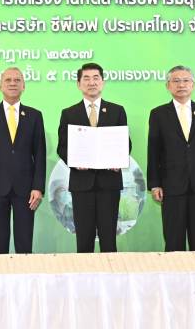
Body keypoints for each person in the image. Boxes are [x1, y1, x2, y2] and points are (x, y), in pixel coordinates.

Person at [57, 62, 131, 253]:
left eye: (96, 78)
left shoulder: (117, 111)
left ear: (103, 82)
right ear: (78, 84)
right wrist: (75, 162)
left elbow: (126, 144)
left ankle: (110, 271)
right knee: (84, 239)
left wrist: (118, 160)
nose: (92, 83)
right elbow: (62, 147)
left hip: (109, 183)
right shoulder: (69, 113)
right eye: (86, 79)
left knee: (109, 239)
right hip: (82, 184)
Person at [147, 65, 195, 251]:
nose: (181, 85)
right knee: (173, 241)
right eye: (176, 81)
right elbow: (153, 151)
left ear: (193, 85)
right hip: (171, 185)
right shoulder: (158, 114)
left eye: (186, 80)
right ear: (168, 86)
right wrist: (155, 184)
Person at [0, 67, 46, 254]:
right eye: (8, 80)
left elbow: (40, 154)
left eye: (17, 80)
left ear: (24, 86)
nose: (12, 83)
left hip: (27, 190)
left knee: (25, 245)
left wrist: (38, 187)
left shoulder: (35, 115)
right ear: (0, 85)